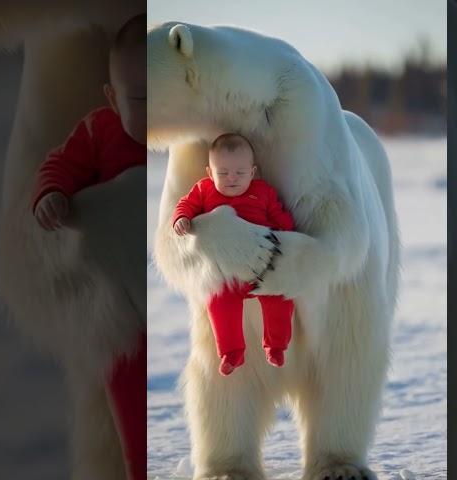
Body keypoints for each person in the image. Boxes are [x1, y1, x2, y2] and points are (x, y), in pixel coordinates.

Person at [30, 14, 146, 480]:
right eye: (139, 100)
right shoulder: (99, 131)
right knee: (132, 411)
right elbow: (57, 166)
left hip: (166, 294)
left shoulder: (180, 141)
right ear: (113, 99)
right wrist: (51, 194)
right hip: (118, 311)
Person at [173, 133, 295, 376]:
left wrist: (288, 234)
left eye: (240, 173)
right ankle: (231, 352)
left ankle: (276, 345)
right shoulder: (204, 190)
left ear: (252, 172)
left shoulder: (263, 192)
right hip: (226, 274)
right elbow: (185, 204)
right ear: (210, 173)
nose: (231, 178)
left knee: (280, 297)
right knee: (218, 303)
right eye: (223, 173)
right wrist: (182, 218)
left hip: (261, 269)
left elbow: (280, 216)